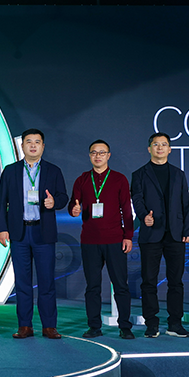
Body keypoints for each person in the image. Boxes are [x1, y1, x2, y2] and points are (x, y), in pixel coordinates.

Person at [0, 129, 68, 339]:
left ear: (43, 146)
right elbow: (1, 202)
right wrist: (2, 228)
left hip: (43, 232)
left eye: (37, 142)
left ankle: (49, 326)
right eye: (29, 142)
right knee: (22, 282)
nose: (33, 145)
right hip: (19, 232)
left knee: (47, 282)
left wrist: (54, 202)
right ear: (22, 146)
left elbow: (63, 197)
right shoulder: (10, 171)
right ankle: (25, 326)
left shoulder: (53, 170)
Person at [69, 140, 135, 339]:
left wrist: (128, 236)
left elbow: (126, 210)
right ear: (89, 156)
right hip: (90, 241)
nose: (97, 156)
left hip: (115, 239)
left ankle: (125, 326)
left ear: (108, 155)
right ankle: (94, 327)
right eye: (94, 153)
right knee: (92, 286)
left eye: (102, 153)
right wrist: (74, 210)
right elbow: (73, 205)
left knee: (121, 285)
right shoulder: (82, 179)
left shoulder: (119, 179)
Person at [131, 132, 189, 338]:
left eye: (164, 144)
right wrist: (143, 217)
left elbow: (186, 203)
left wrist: (188, 230)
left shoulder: (178, 174)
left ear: (170, 149)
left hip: (176, 235)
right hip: (151, 233)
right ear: (149, 148)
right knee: (148, 281)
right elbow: (137, 199)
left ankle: (175, 323)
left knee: (176, 281)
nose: (160, 147)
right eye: (156, 144)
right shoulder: (139, 174)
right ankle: (151, 324)